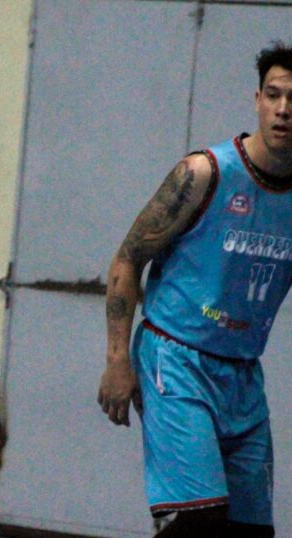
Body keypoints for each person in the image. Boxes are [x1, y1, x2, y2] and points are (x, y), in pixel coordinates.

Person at [97, 43, 292, 537]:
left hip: (243, 374)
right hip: (176, 360)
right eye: (273, 95)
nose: (284, 110)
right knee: (199, 521)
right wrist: (117, 360)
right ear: (257, 99)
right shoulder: (205, 173)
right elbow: (127, 259)